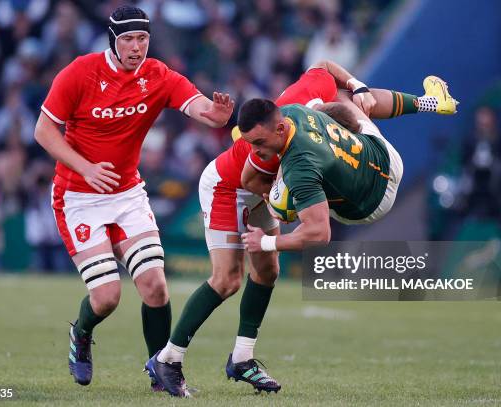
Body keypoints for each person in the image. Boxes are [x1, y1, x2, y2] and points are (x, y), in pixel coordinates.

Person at [146, 59, 385, 397]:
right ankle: (168, 359)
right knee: (227, 280)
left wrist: (358, 85)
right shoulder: (288, 131)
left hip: (263, 189)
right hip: (229, 188)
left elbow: (326, 67)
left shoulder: (312, 112)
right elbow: (248, 178)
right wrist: (276, 204)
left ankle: (243, 358)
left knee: (267, 272)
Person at [33, 5, 234, 388]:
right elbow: (43, 131)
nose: (136, 46)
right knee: (107, 296)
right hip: (78, 195)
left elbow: (203, 110)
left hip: (127, 194)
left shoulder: (158, 75)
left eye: (142, 38)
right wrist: (86, 167)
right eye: (128, 38)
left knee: (156, 286)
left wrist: (219, 115)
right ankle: (82, 334)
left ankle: (162, 372)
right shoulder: (80, 72)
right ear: (113, 40)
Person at [239, 76, 458, 252]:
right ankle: (431, 102)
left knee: (300, 185)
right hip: (382, 156)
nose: (256, 150)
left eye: (259, 142)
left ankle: (296, 200)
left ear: (279, 129)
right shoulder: (293, 111)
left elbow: (320, 234)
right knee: (345, 97)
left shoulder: (300, 169)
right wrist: (357, 87)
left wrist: (266, 242)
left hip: (371, 204)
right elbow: (328, 74)